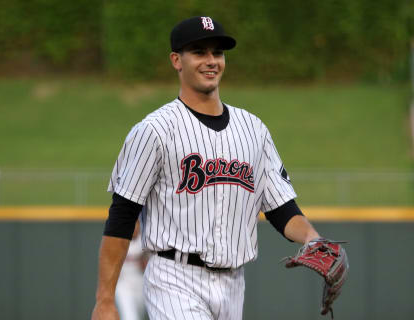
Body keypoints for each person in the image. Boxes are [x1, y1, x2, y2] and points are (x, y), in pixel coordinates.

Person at [91, 16, 321, 320]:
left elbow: (281, 209)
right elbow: (121, 217)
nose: (211, 60)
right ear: (177, 60)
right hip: (174, 277)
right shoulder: (155, 130)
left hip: (233, 283)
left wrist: (313, 239)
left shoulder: (253, 129)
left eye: (217, 52)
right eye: (199, 52)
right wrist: (105, 300)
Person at [115, 221, 148, 320]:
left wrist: (143, 262)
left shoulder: (144, 241)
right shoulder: (119, 241)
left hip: (140, 284)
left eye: (136, 224)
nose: (134, 228)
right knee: (129, 316)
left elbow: (149, 265)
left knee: (138, 315)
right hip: (123, 284)